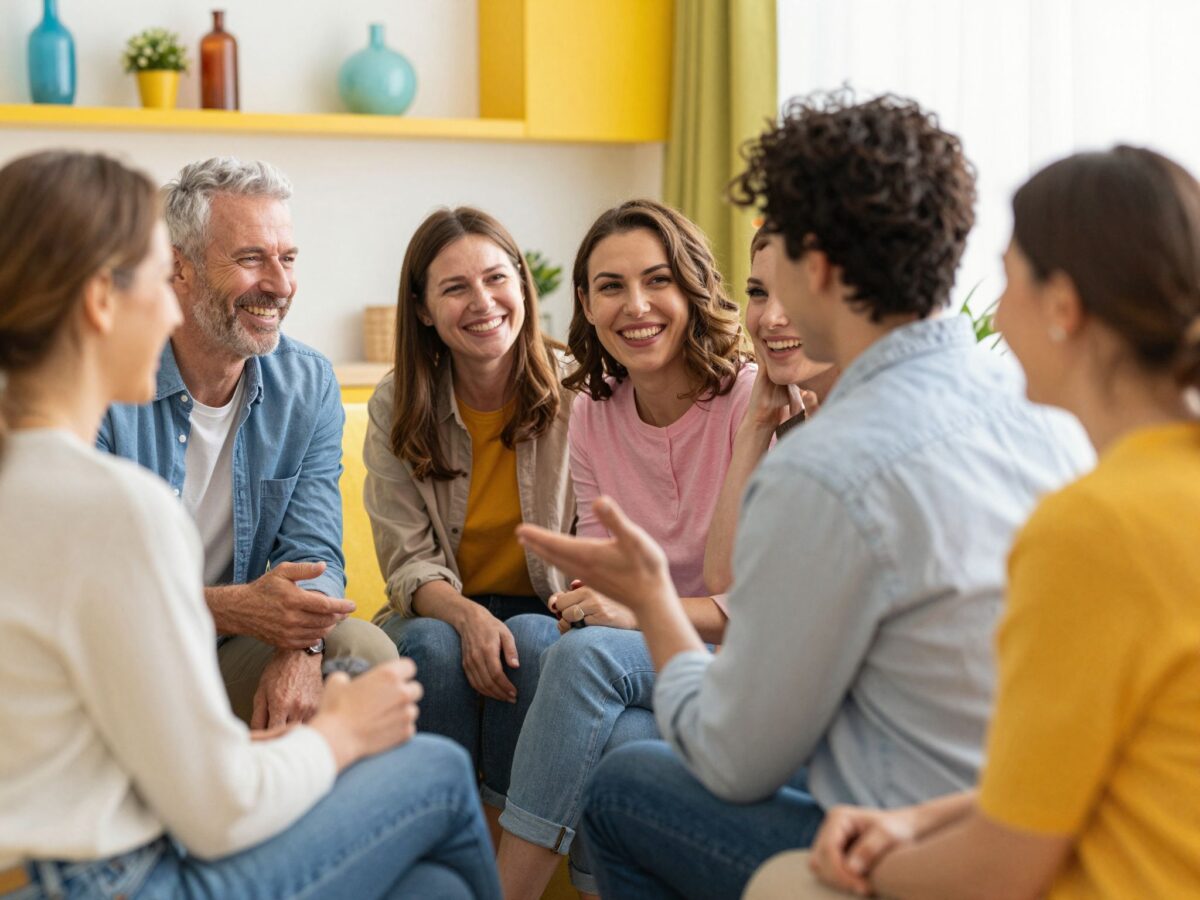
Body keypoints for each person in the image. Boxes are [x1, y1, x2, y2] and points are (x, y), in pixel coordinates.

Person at [515, 91, 1094, 899]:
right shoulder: (1046, 413)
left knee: (624, 787)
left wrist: (651, 598)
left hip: (907, 849)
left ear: (815, 266)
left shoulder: (827, 469)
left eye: (776, 253)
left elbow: (731, 754)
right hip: (1035, 822)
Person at [0, 150, 500, 900]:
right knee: (437, 771)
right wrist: (341, 733)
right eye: (154, 278)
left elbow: (312, 552)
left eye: (287, 256)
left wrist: (290, 676)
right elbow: (217, 812)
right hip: (132, 877)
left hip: (77, 858)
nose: (168, 308)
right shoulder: (115, 509)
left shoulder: (32, 476)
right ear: (106, 300)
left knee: (434, 889)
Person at [800, 145, 1200, 899]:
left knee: (785, 875)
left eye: (1009, 277)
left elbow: (998, 873)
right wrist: (919, 820)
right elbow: (1116, 760)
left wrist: (870, 865)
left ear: (1062, 307)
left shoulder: (1095, 529)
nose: (993, 309)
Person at [496, 199, 755, 899]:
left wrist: (633, 610)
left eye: (657, 280)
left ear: (693, 287)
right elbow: (601, 562)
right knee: (531, 640)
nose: (635, 306)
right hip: (636, 655)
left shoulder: (751, 402)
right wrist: (593, 600)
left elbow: (757, 609)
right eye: (611, 286)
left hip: (731, 655)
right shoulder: (592, 411)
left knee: (583, 661)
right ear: (585, 301)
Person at [97, 156, 397, 730]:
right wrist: (233, 607)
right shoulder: (106, 377)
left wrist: (299, 649)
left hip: (235, 650)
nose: (281, 286)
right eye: (251, 259)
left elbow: (313, 555)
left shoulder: (307, 383)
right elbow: (90, 586)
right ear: (178, 269)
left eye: (287, 259)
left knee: (365, 658)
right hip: (121, 655)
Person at [363, 207, 573, 838]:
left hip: (550, 608)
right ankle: (441, 836)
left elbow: (600, 542)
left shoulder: (581, 392)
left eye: (495, 278)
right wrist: (468, 616)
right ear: (424, 310)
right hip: (440, 606)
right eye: (455, 288)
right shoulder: (396, 401)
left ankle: (498, 856)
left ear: (522, 285)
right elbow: (406, 560)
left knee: (533, 642)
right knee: (432, 645)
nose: (482, 302)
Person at [704, 226, 841, 594]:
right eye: (759, 293)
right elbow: (723, 583)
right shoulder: (791, 413)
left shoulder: (859, 425)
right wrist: (758, 421)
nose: (771, 319)